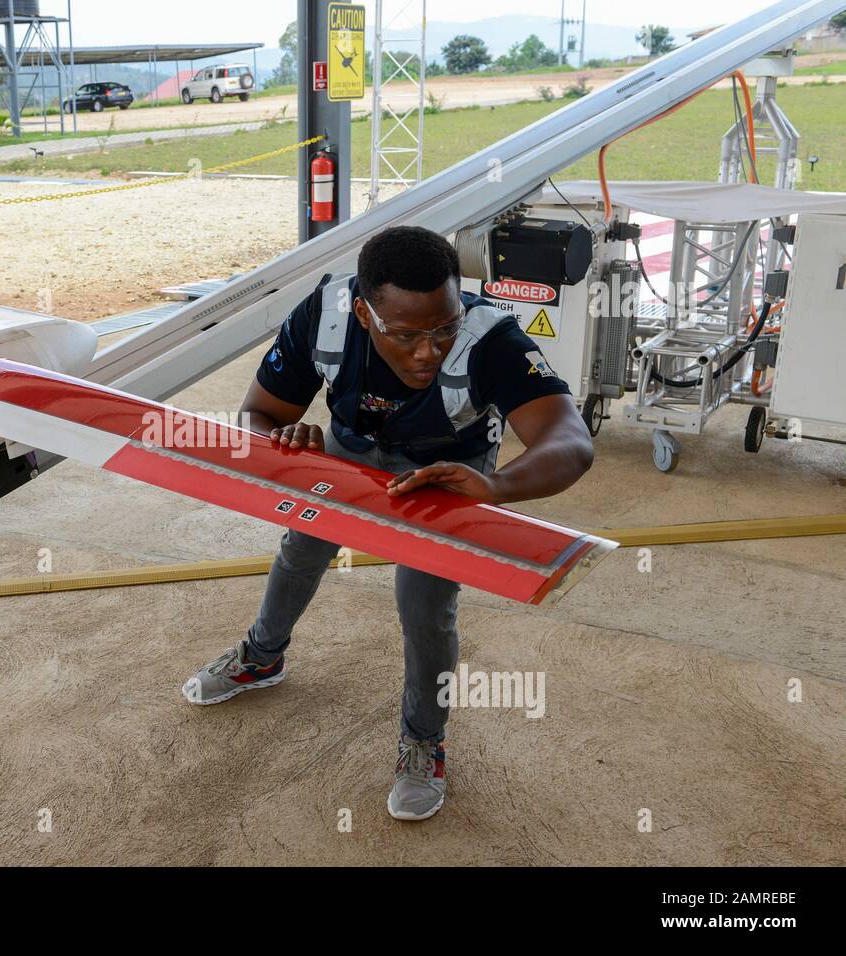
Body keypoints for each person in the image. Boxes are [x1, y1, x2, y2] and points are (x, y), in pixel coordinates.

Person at [181, 225, 595, 821]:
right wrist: (280, 442)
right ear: (363, 312)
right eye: (405, 335)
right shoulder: (322, 318)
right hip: (349, 451)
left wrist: (497, 484)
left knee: (425, 599)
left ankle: (424, 740)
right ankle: (261, 657)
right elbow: (259, 413)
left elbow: (570, 442)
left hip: (448, 469)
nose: (428, 350)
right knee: (301, 547)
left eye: (444, 327)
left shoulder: (491, 339)